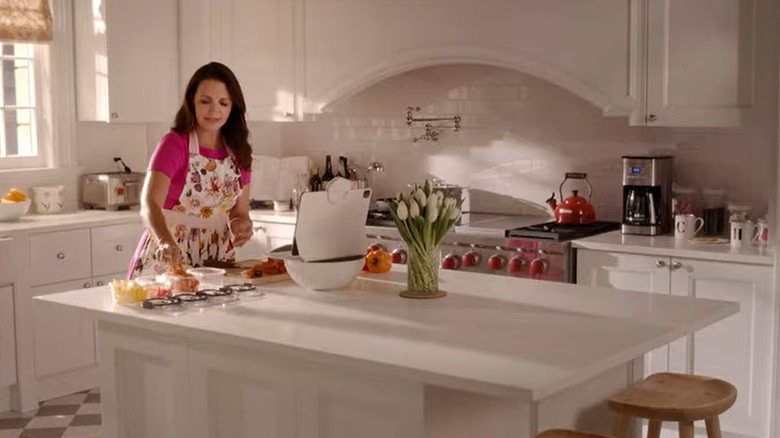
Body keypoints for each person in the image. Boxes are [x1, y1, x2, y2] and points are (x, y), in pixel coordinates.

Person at [127, 62, 253, 278]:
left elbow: (239, 212)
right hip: (171, 256)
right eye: (205, 101)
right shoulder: (174, 145)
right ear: (192, 102)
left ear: (233, 107)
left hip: (217, 259)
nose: (214, 110)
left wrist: (242, 225)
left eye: (223, 103)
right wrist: (165, 242)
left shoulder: (239, 150)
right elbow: (150, 204)